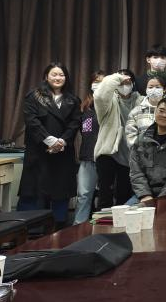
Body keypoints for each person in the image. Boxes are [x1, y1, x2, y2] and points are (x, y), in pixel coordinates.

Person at [19, 63, 81, 229]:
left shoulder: (73, 99)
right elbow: (32, 121)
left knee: (60, 194)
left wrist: (62, 141)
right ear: (46, 76)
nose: (58, 78)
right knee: (35, 194)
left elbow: (75, 123)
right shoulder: (34, 96)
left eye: (61, 75)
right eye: (54, 74)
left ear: (66, 78)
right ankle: (33, 232)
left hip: (62, 154)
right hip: (39, 154)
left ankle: (59, 229)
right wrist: (50, 140)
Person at [93, 69, 143, 210]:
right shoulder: (108, 101)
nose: (124, 85)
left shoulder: (141, 101)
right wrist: (117, 77)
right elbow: (99, 96)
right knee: (105, 197)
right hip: (108, 153)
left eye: (128, 82)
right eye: (121, 82)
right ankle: (102, 223)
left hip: (129, 156)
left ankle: (120, 224)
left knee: (124, 196)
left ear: (133, 83)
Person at [74, 70, 105, 225]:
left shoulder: (113, 103)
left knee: (106, 196)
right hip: (88, 157)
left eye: (102, 82)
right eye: (96, 81)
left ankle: (104, 228)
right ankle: (78, 228)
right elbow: (83, 132)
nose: (98, 85)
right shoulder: (84, 108)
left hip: (108, 158)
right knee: (83, 195)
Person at [126, 75, 166, 148]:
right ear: (146, 90)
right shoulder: (135, 112)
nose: (154, 90)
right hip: (142, 153)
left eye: (157, 87)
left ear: (164, 89)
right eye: (150, 87)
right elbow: (130, 137)